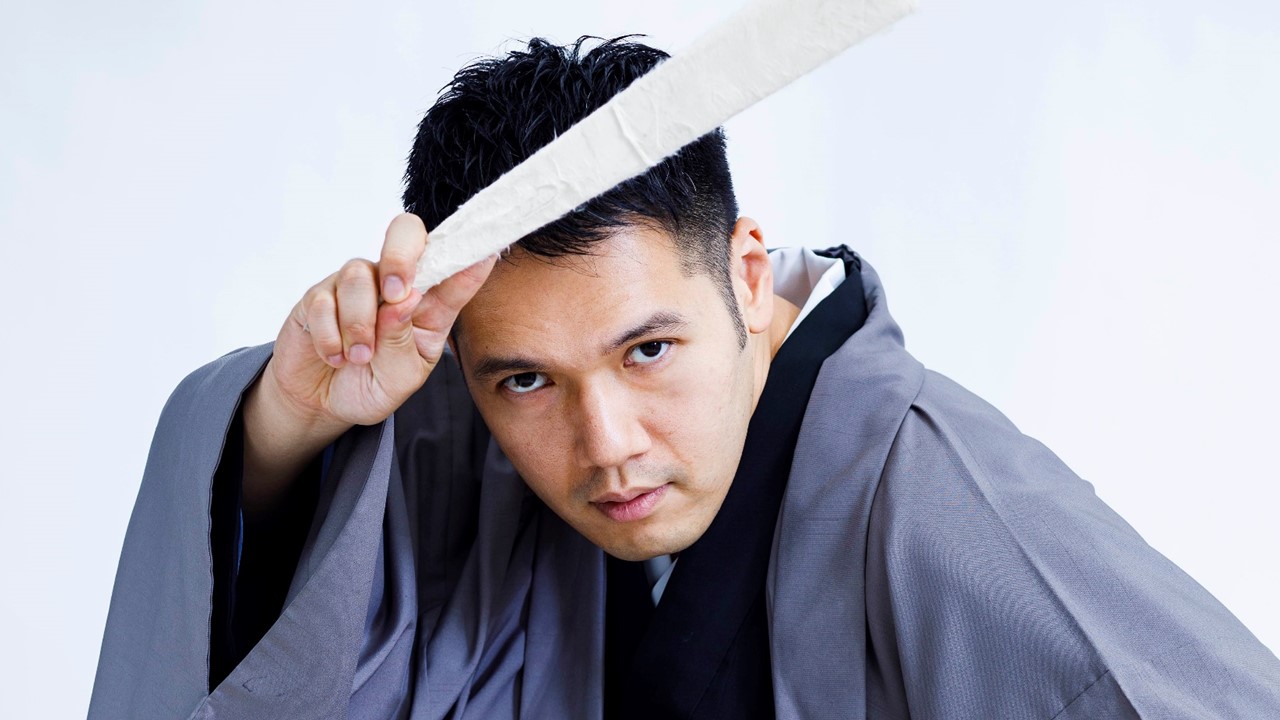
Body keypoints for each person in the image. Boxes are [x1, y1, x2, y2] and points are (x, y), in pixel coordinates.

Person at [90, 36, 1280, 720]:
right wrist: (287, 425)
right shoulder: (466, 457)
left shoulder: (957, 515)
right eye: (524, 382)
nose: (605, 442)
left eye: (646, 350)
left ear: (747, 274)